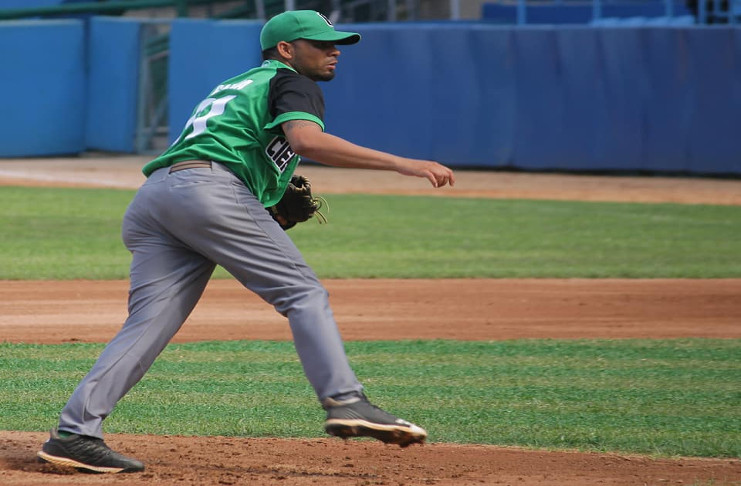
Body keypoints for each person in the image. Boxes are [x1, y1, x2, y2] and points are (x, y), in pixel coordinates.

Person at [37, 9, 455, 474]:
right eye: (320, 43)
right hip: (207, 193)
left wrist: (265, 200)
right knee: (302, 292)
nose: (333, 50)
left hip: (156, 199)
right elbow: (307, 141)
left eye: (334, 42)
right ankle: (346, 399)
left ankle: (75, 433)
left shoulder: (241, 85)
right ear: (285, 50)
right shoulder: (291, 81)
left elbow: (237, 150)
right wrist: (404, 164)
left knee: (147, 327)